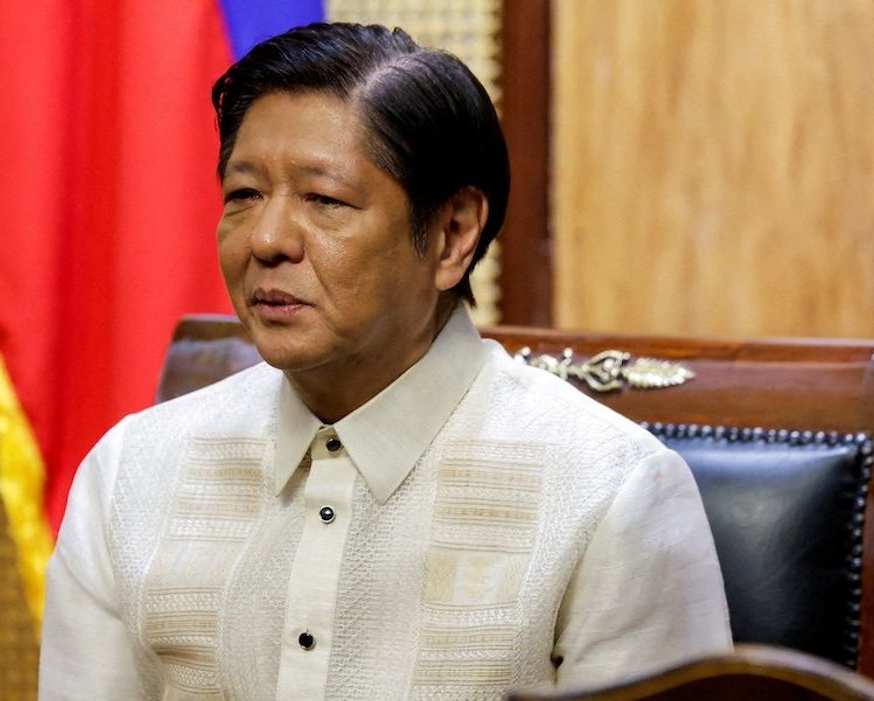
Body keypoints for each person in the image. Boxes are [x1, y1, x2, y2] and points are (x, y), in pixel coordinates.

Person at [39, 22, 731, 700]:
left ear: (453, 235)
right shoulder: (131, 473)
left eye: (324, 199)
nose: (268, 239)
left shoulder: (610, 491)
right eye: (244, 195)